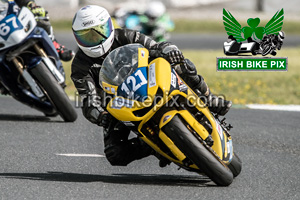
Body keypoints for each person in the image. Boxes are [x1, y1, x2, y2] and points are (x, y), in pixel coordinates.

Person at [71, 5, 232, 167]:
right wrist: (100, 115)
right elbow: (88, 100)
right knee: (115, 154)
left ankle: (208, 98)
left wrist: (168, 51)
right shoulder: (79, 66)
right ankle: (156, 146)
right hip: (119, 104)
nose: (95, 39)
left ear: (109, 26)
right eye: (87, 36)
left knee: (182, 64)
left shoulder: (126, 35)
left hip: (149, 80)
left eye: (98, 31)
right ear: (77, 38)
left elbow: (156, 47)